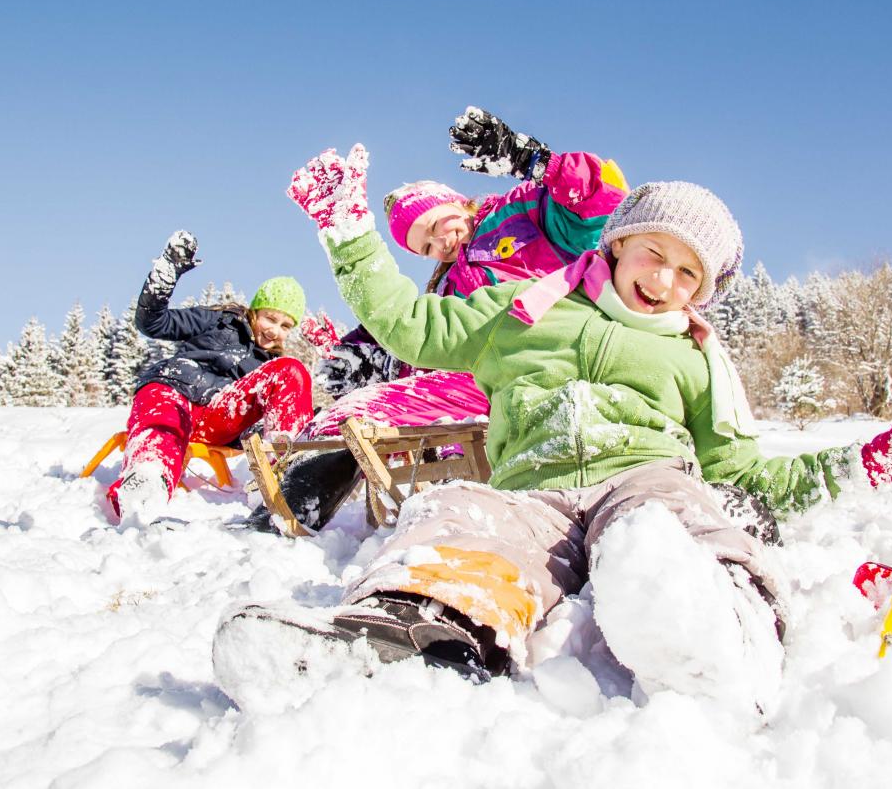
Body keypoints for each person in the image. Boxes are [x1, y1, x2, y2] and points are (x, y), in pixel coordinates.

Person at [214, 147, 892, 717]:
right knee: (459, 515)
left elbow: (742, 471)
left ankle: (720, 631)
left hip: (646, 476)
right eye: (655, 252)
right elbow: (409, 324)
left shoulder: (693, 354)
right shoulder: (525, 308)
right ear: (620, 244)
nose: (665, 280)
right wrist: (349, 231)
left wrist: (862, 465)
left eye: (690, 273)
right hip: (535, 486)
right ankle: (395, 634)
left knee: (670, 522)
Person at [245, 107, 630, 534]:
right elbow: (424, 337)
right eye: (425, 247)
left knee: (369, 412)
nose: (440, 244)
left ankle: (287, 515)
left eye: (435, 225)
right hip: (478, 384)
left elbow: (604, 206)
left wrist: (533, 161)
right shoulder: (445, 288)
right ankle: (283, 512)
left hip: (545, 368)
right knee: (358, 414)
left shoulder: (520, 213)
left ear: (453, 200)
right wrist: (359, 353)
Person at [107, 230, 314, 523]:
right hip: (173, 390)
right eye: (270, 317)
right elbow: (152, 323)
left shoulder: (271, 366)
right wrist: (167, 274)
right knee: (163, 421)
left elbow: (259, 420)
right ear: (254, 310)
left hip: (218, 414)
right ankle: (147, 480)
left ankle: (280, 476)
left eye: (285, 325)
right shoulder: (218, 320)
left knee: (292, 370)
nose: (274, 331)